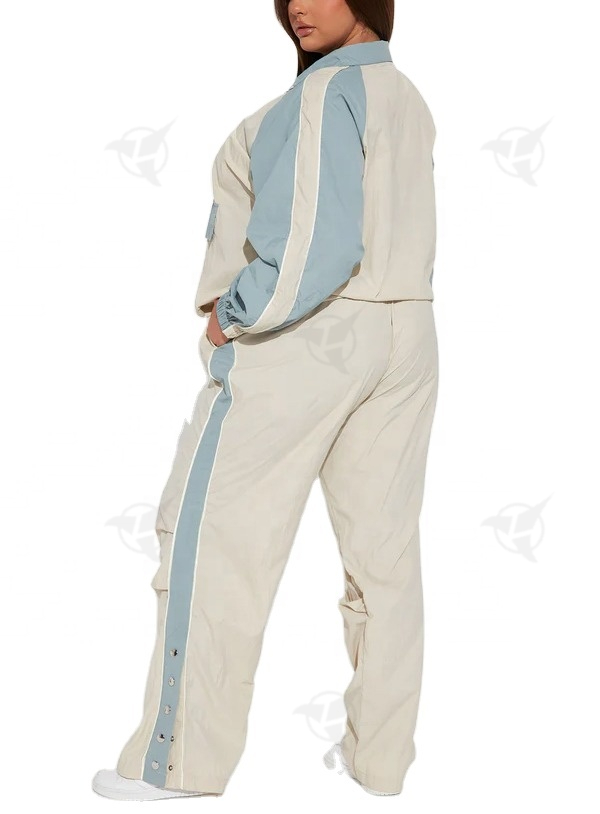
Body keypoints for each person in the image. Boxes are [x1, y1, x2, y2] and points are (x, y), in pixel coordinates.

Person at [92, 0, 439, 801]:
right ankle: (380, 763)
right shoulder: (407, 97)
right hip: (407, 336)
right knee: (385, 562)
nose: (298, 7)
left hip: (308, 338)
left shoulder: (322, 93)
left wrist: (232, 314)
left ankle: (177, 765)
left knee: (214, 543)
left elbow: (318, 244)